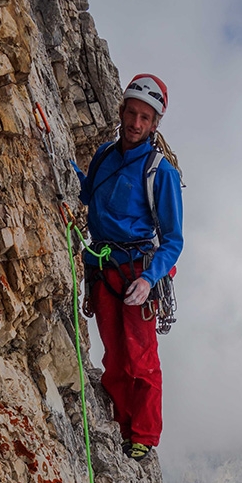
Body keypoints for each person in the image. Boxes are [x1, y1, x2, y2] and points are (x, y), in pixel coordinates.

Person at [72, 74, 183, 461]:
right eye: (132, 113)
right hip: (103, 269)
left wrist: (151, 278)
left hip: (136, 272)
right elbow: (89, 194)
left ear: (155, 124)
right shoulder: (104, 154)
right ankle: (121, 424)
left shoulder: (160, 172)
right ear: (121, 112)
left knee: (141, 358)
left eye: (146, 118)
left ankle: (145, 434)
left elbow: (173, 240)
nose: (136, 123)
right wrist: (65, 169)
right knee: (114, 357)